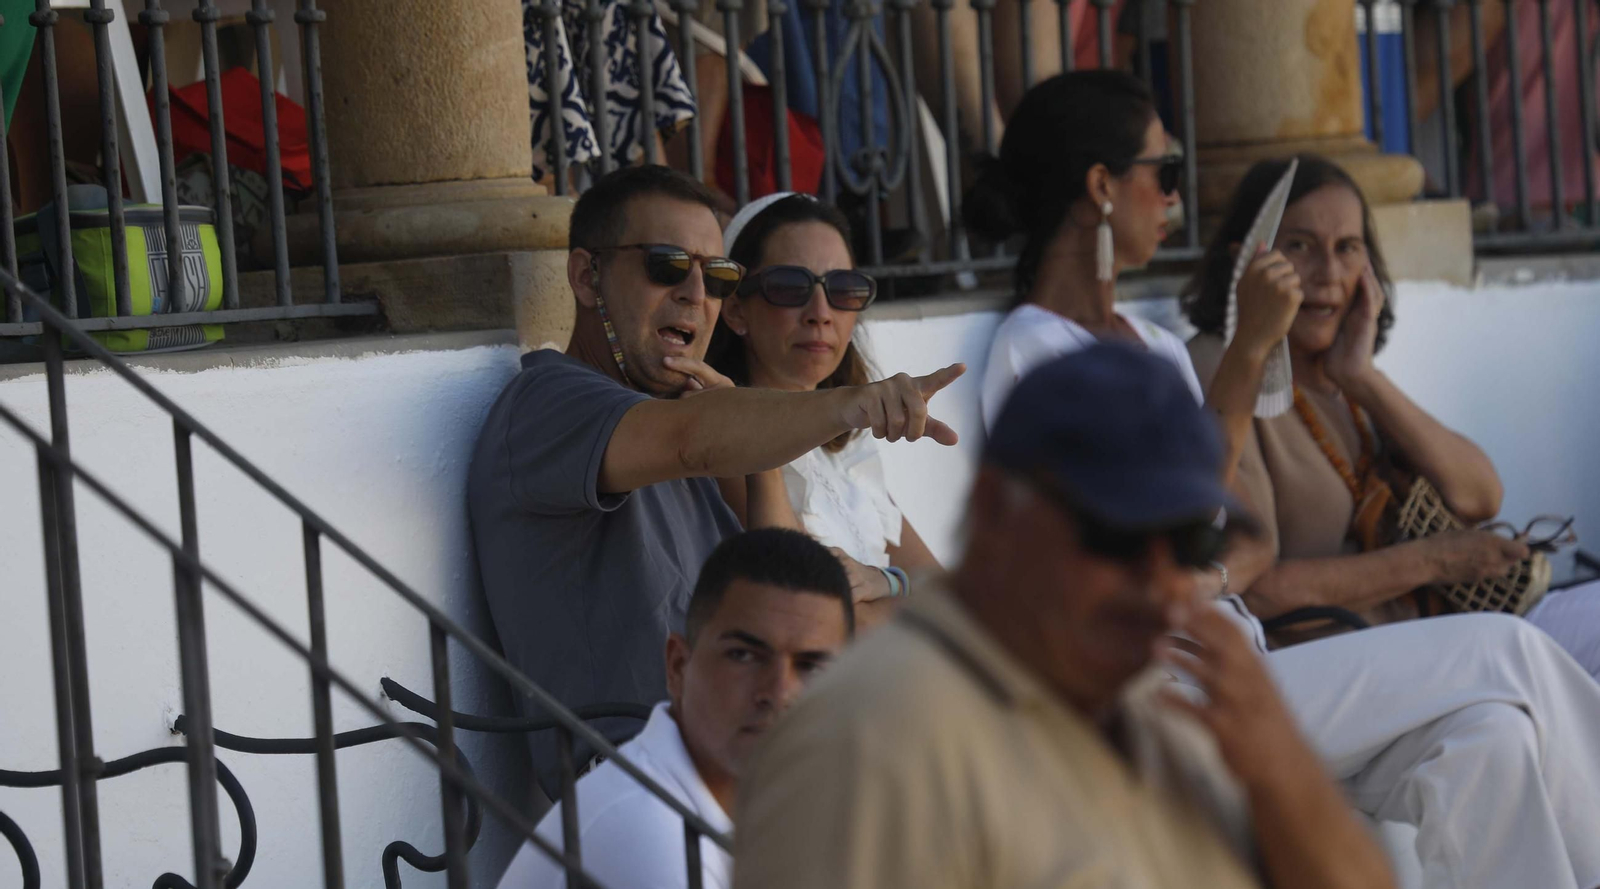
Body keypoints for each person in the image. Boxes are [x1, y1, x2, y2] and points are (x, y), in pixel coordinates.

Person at [967, 70, 1600, 889]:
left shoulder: (1149, 346)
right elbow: (1187, 506)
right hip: (1167, 681)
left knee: (1491, 739)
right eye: (1165, 173)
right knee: (1509, 650)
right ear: (1100, 186)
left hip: (1243, 653)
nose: (1174, 199)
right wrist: (1249, 351)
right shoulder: (1036, 350)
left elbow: (1223, 529)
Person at [734, 344, 1396, 889]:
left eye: (1192, 545)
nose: (1162, 586)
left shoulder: (1153, 711)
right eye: (1119, 538)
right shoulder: (873, 738)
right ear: (997, 512)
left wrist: (1282, 766)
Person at [467, 164, 963, 790]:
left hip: (743, 780)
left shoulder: (697, 417)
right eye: (668, 265)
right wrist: (851, 403)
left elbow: (792, 601)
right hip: (639, 787)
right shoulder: (549, 401)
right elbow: (689, 442)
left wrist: (757, 466)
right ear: (586, 277)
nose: (695, 293)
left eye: (716, 275)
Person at [1181, 154, 1600, 674]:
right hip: (1337, 662)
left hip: (1431, 635)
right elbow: (1256, 586)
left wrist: (1363, 378)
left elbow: (1480, 495)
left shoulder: (1342, 376)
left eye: (1348, 249)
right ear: (1247, 262)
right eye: (1300, 246)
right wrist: (1432, 562)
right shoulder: (1223, 369)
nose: (1328, 274)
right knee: (1515, 678)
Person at [497, 527, 855, 889]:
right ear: (678, 666)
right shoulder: (652, 838)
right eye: (744, 655)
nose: (779, 692)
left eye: (812, 667)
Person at [706, 192, 942, 581]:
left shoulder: (849, 441)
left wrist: (887, 585)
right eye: (788, 286)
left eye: (843, 288)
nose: (820, 314)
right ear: (735, 310)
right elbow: (812, 604)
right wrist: (897, 589)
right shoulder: (729, 439)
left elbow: (940, 589)